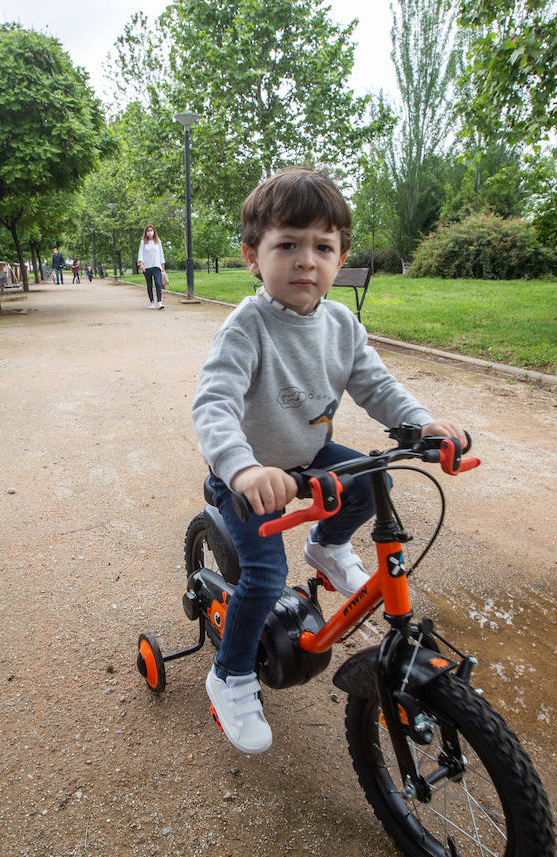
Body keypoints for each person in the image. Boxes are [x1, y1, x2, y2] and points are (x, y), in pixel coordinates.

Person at [191, 168, 466, 755]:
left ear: (340, 259)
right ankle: (232, 675)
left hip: (309, 457)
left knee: (373, 479)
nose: (305, 261)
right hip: (249, 480)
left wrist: (421, 423)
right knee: (263, 575)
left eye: (322, 247)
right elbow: (213, 406)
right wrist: (242, 469)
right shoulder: (246, 327)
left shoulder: (341, 323)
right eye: (287, 245)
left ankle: (328, 546)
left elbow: (375, 383)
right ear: (252, 256)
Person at [137, 226, 165, 309]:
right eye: (148, 231)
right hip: (147, 267)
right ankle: (152, 302)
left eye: (151, 230)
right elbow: (140, 253)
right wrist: (141, 264)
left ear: (154, 231)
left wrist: (162, 265)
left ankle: (159, 302)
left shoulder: (158, 241)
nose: (150, 232)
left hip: (157, 266)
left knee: (158, 283)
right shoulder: (143, 242)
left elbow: (161, 254)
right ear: (146, 232)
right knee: (149, 284)